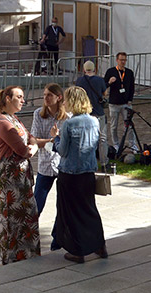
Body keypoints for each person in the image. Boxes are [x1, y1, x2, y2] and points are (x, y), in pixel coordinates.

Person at [52, 85, 108, 264]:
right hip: (88, 172)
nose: (64, 103)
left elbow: (62, 151)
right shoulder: (94, 121)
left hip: (70, 173)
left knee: (72, 213)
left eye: (67, 100)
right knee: (89, 209)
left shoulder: (69, 123)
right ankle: (99, 244)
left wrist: (56, 137)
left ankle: (78, 250)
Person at [0, 85, 41, 264]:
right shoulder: (4, 123)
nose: (22, 100)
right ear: (7, 99)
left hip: (20, 177)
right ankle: (11, 254)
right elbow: (23, 149)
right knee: (11, 216)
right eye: (19, 97)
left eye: (22, 97)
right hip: (11, 178)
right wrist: (33, 148)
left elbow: (30, 136)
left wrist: (32, 145)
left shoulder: (14, 119)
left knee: (25, 213)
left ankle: (24, 251)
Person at [29, 82, 66, 218]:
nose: (46, 98)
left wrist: (51, 141)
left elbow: (66, 144)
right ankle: (29, 232)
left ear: (59, 97)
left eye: (50, 95)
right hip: (45, 164)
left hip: (62, 165)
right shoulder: (38, 114)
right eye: (44, 95)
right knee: (37, 203)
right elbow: (34, 140)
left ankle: (59, 235)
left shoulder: (67, 116)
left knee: (63, 205)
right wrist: (52, 140)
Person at [74, 60, 109, 168]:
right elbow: (105, 93)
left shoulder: (79, 81)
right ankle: (104, 162)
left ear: (84, 69)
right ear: (94, 69)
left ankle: (88, 162)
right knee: (102, 139)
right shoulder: (99, 80)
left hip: (84, 113)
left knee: (86, 139)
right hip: (98, 112)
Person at [104, 52, 135, 156]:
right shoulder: (111, 71)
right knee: (114, 126)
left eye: (124, 60)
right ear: (117, 60)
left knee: (129, 125)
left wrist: (130, 100)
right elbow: (104, 86)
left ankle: (132, 144)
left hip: (126, 104)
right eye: (121, 60)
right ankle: (116, 144)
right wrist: (109, 82)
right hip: (114, 104)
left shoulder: (129, 73)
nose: (123, 62)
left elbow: (132, 87)